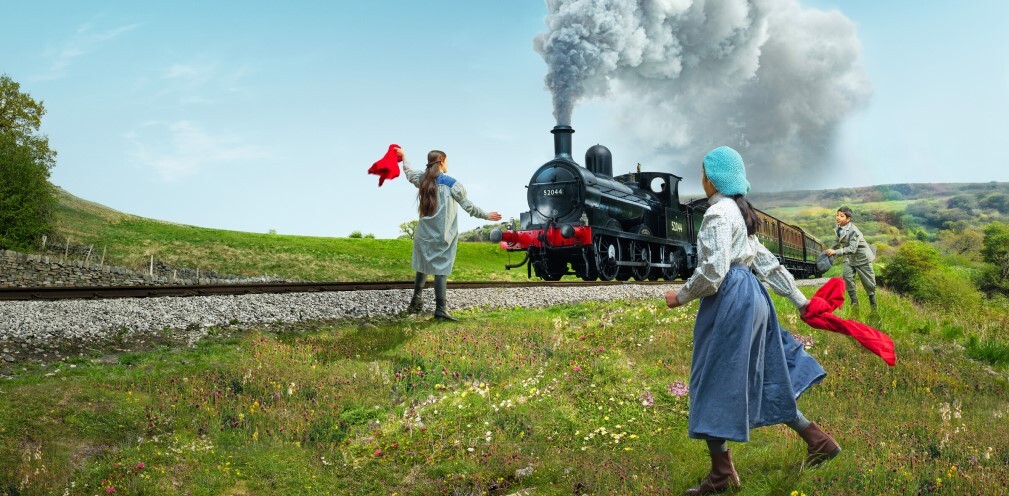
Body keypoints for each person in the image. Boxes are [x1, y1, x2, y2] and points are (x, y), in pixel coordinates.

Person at [665, 146, 841, 495]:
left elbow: (713, 273)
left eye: (703, 173)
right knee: (765, 374)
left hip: (730, 300)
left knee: (711, 379)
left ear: (712, 179)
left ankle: (721, 474)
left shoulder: (718, 215)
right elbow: (768, 265)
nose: (701, 179)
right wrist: (801, 300)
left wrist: (680, 296)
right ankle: (818, 440)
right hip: (754, 298)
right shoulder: (741, 216)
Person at [398, 148, 502, 321]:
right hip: (442, 235)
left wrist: (404, 156)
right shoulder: (452, 184)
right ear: (441, 162)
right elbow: (468, 206)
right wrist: (486, 215)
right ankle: (440, 309)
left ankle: (415, 302)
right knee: (440, 269)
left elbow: (408, 171)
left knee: (423, 265)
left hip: (423, 234)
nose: (447, 164)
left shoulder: (422, 179)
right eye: (446, 161)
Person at [825, 207, 877, 310]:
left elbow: (852, 249)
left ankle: (873, 304)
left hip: (863, 259)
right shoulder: (839, 228)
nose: (838, 218)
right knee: (847, 277)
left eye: (841, 216)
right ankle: (854, 302)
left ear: (848, 219)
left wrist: (836, 252)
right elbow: (837, 241)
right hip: (850, 258)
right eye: (837, 215)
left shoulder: (854, 231)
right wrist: (830, 249)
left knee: (869, 282)